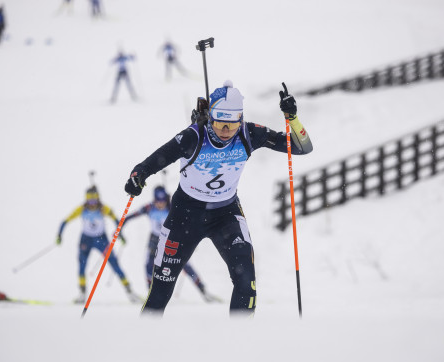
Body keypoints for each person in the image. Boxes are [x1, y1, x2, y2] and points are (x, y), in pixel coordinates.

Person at [124, 80, 313, 316]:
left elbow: (302, 148)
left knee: (246, 283)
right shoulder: (194, 136)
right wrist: (138, 175)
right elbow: (156, 160)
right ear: (210, 118)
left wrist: (292, 118)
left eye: (232, 125)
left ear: (240, 120)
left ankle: (237, 344)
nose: (226, 131)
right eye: (221, 124)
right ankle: (143, 346)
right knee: (160, 290)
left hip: (226, 214)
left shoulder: (249, 133)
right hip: (185, 215)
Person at [124, 186, 220, 302]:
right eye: (158, 201)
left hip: (171, 239)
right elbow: (129, 217)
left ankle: (203, 290)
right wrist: (120, 227)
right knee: (149, 265)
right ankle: (151, 293)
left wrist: (190, 238)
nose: (160, 204)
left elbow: (187, 221)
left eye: (163, 201)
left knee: (184, 264)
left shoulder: (172, 208)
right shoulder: (149, 208)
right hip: (155, 240)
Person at [57, 186, 140, 303]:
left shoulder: (103, 208)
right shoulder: (81, 209)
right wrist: (59, 235)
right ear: (86, 200)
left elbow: (116, 220)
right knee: (82, 265)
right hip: (86, 240)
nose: (92, 204)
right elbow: (65, 221)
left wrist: (120, 234)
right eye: (90, 201)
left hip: (101, 240)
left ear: (98, 199)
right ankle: (82, 293)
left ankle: (130, 292)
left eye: (94, 200)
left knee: (114, 264)